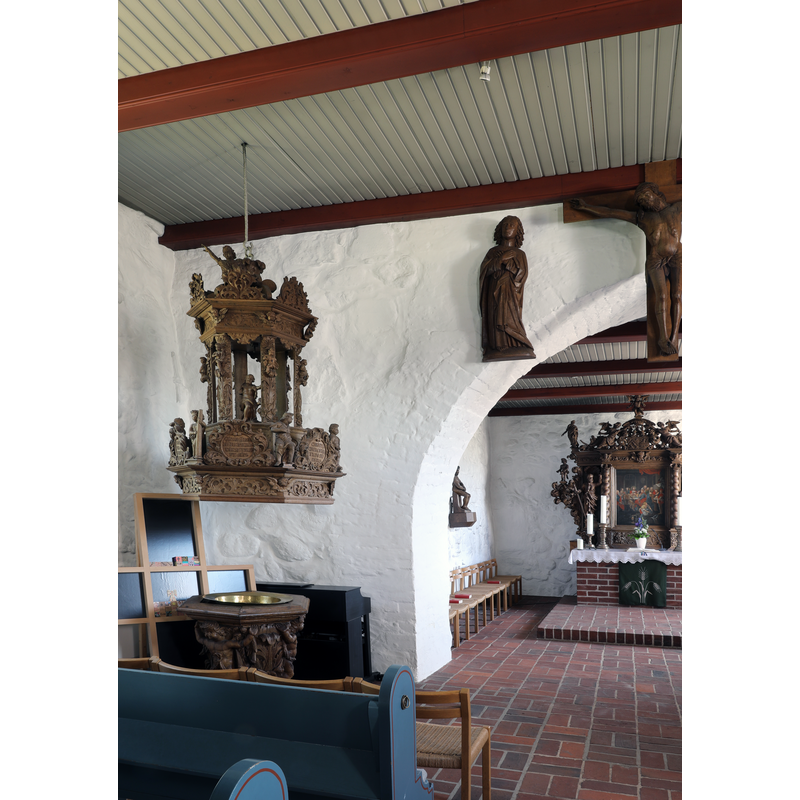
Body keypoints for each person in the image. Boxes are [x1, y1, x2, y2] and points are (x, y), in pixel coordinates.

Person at [570, 183, 681, 356]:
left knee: (677, 295)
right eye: (641, 201)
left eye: (646, 196)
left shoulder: (676, 209)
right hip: (656, 260)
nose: (645, 201)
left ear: (656, 193)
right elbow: (611, 212)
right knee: (661, 296)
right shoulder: (643, 218)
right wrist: (586, 207)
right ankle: (663, 338)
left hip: (678, 256)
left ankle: (674, 338)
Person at [478, 216, 535, 359]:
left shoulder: (520, 254)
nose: (507, 227)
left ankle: (516, 343)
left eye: (511, 225)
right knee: (495, 313)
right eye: (505, 225)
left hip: (511, 291)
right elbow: (484, 272)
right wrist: (500, 259)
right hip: (493, 289)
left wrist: (509, 265)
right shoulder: (492, 252)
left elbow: (522, 275)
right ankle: (497, 345)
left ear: (517, 231)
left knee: (510, 317)